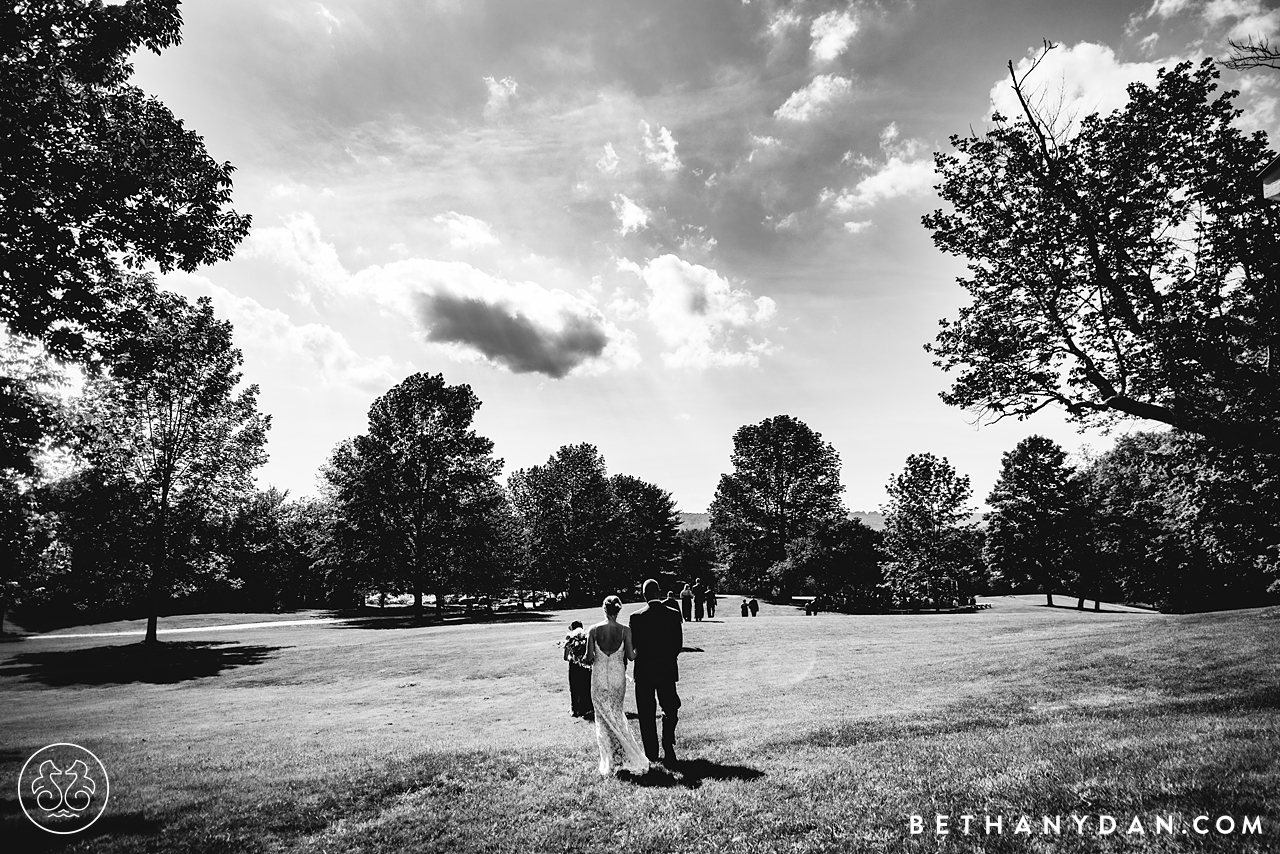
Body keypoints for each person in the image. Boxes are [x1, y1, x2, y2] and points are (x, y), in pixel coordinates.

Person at [585, 595, 650, 776]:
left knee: (603, 717)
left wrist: (578, 652)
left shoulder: (593, 630)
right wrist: (642, 646)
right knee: (616, 713)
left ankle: (610, 758)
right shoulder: (625, 631)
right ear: (618, 610)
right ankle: (623, 753)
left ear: (604, 609)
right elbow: (631, 656)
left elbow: (589, 658)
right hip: (617, 678)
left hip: (598, 678)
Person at [630, 579, 684, 766]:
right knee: (670, 707)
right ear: (659, 592)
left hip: (644, 671)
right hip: (666, 669)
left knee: (646, 712)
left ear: (644, 596)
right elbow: (678, 645)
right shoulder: (673, 614)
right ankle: (667, 743)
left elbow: (634, 646)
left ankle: (651, 752)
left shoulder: (636, 617)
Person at [564, 620, 593, 718]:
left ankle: (575, 709)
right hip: (585, 665)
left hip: (574, 665)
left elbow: (565, 657)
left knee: (574, 687)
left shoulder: (570, 638)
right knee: (586, 686)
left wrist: (573, 658)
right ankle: (587, 708)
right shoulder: (587, 637)